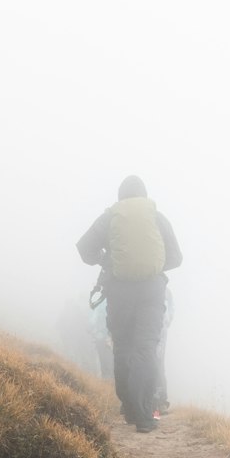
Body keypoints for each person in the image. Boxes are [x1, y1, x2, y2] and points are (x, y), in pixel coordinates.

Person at [76, 176, 182, 432]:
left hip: (119, 291)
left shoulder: (111, 216)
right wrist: (155, 267)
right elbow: (176, 258)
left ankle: (130, 408)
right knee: (146, 348)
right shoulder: (157, 216)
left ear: (120, 196)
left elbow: (84, 248)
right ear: (144, 196)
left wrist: (107, 261)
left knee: (122, 346)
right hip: (151, 292)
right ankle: (145, 414)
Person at [155, 283, 174, 413]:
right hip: (161, 330)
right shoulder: (166, 291)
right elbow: (171, 313)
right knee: (158, 365)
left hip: (152, 331)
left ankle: (156, 405)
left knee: (152, 364)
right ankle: (159, 403)